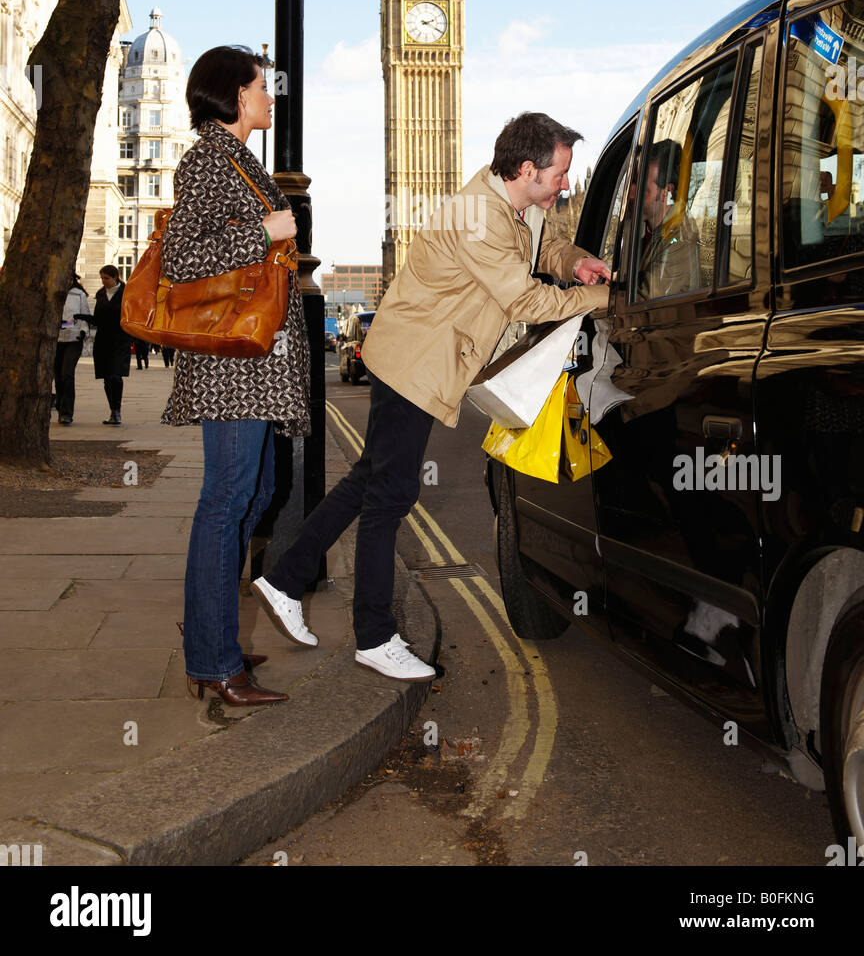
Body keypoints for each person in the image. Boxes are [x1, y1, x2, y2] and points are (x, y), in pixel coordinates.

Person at [253, 112, 611, 682]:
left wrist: (579, 263)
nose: (565, 184)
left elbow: (548, 249)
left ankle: (285, 577)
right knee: (390, 498)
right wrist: (603, 301)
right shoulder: (481, 219)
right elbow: (524, 300)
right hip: (414, 360)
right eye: (560, 174)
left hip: (422, 355)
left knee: (369, 478)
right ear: (526, 169)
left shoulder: (520, 203)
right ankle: (374, 635)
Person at [160, 45, 310, 708]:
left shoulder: (238, 161)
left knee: (258, 492)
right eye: (260, 86)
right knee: (227, 503)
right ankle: (214, 662)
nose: (269, 96)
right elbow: (181, 258)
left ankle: (209, 633)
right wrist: (266, 233)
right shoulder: (207, 161)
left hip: (253, 367)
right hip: (230, 366)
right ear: (232, 94)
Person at [637, 139, 701, 301]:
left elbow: (645, 298)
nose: (632, 195)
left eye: (643, 190)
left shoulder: (680, 239)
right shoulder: (646, 232)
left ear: (666, 192)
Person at [93, 265, 132, 425]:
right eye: (102, 278)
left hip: (120, 339)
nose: (104, 281)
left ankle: (117, 410)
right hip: (103, 339)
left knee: (116, 375)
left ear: (115, 277)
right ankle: (113, 410)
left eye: (106, 278)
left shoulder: (126, 293)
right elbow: (97, 317)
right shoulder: (100, 294)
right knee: (107, 377)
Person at [54, 274, 91, 425]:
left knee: (67, 374)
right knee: (58, 374)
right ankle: (60, 406)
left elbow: (85, 315)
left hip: (74, 338)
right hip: (56, 338)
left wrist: (83, 330)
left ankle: (67, 412)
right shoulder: (53, 292)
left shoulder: (78, 294)